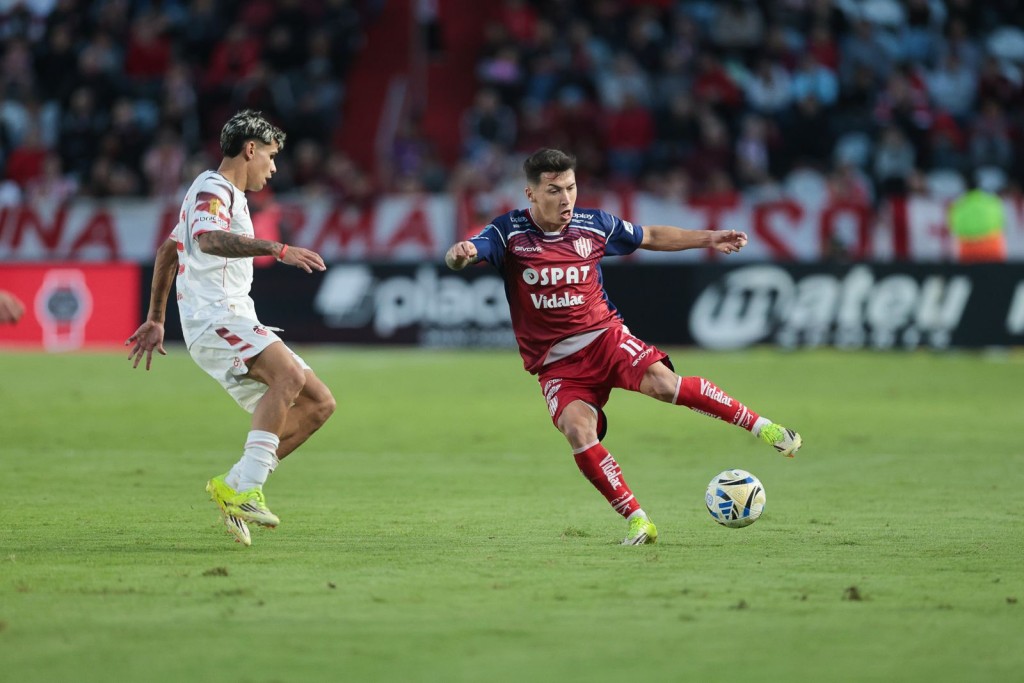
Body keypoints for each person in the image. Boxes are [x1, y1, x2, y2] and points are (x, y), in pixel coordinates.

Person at [445, 148, 802, 545]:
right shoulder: (508, 232)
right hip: (557, 364)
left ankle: (766, 428)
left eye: (571, 188)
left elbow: (650, 236)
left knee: (664, 385)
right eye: (554, 191)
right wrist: (460, 255)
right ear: (531, 194)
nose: (566, 198)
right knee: (577, 430)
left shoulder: (593, 224)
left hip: (604, 338)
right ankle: (638, 521)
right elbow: (470, 251)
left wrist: (710, 237)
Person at [126, 110, 336, 547]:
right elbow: (207, 240)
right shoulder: (213, 189)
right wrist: (276, 248)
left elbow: (168, 251)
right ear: (251, 149)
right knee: (288, 376)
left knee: (318, 404)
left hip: (234, 317)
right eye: (271, 157)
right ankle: (248, 492)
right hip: (216, 317)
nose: (273, 168)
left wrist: (157, 318)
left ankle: (234, 483)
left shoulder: (220, 194)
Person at [947, 179, 1007, 263]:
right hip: (991, 245)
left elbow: (953, 227)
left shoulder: (957, 204)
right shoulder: (993, 202)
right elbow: (1001, 222)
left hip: (967, 246)